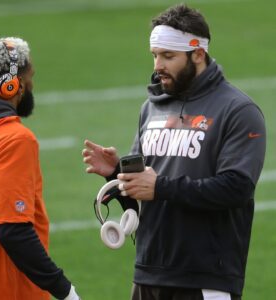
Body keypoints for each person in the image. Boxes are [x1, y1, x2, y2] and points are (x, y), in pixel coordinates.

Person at [82, 4, 266, 300]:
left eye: (168, 56)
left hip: (205, 278)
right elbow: (145, 190)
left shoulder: (238, 111)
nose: (158, 65)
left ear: (198, 54)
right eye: (155, 55)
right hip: (148, 272)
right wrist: (117, 175)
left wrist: (160, 187)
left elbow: (237, 188)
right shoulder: (151, 107)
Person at [0, 38, 81, 300]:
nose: (31, 85)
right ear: (13, 85)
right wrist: (65, 291)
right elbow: (12, 229)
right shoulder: (13, 139)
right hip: (7, 292)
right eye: (29, 76)